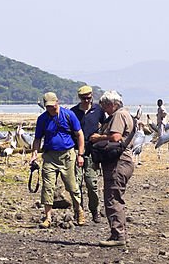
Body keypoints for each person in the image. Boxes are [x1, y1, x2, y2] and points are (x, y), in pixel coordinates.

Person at [30, 92, 85, 228]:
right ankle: (48, 217)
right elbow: (37, 139)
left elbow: (79, 134)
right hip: (50, 156)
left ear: (57, 102)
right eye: (47, 107)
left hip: (67, 155)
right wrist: (34, 153)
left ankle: (79, 211)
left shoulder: (68, 115)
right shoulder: (42, 119)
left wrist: (80, 154)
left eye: (52, 106)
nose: (50, 109)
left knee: (72, 186)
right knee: (48, 187)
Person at [89, 90, 136, 247]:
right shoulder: (126, 114)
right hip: (124, 162)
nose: (103, 109)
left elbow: (116, 137)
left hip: (118, 163)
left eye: (104, 105)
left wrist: (98, 137)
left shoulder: (118, 115)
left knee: (112, 198)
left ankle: (118, 235)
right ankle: (118, 233)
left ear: (111, 104)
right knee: (115, 196)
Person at [70, 85, 104, 223]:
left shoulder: (98, 110)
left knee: (91, 183)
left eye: (88, 98)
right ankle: (79, 211)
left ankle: (95, 210)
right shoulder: (73, 112)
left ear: (92, 96)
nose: (86, 101)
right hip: (76, 151)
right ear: (79, 98)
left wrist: (100, 136)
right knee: (76, 184)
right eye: (84, 99)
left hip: (92, 152)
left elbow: (106, 124)